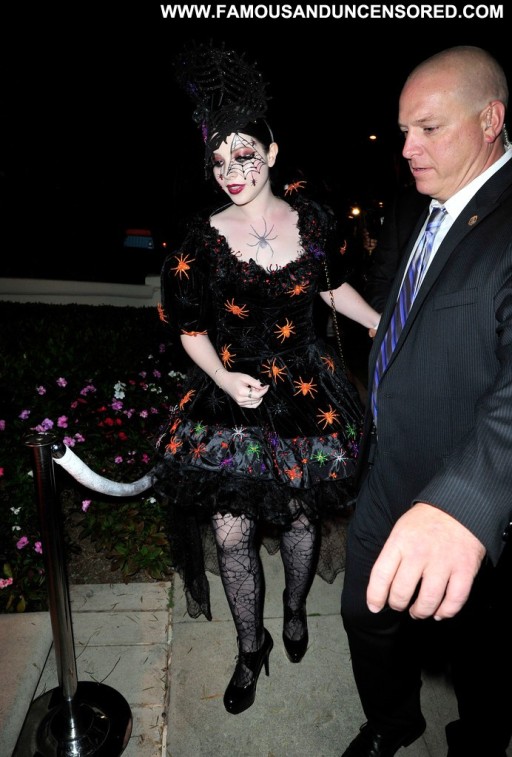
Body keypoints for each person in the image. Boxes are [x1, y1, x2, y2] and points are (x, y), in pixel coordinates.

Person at [153, 43, 380, 716]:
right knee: (231, 534)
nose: (231, 171)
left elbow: (332, 288)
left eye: (244, 153)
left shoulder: (313, 220)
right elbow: (190, 326)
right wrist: (223, 379)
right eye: (218, 160)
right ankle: (250, 648)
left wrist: (382, 325)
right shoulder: (201, 238)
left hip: (306, 392)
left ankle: (295, 608)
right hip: (235, 396)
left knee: (302, 520)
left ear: (273, 153)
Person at [340, 45, 512, 757]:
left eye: (429, 129)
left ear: (490, 120)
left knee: (481, 652)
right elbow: (394, 306)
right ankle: (392, 721)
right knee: (363, 613)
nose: (407, 148)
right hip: (386, 469)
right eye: (404, 130)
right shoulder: (416, 202)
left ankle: (479, 742)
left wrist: (465, 500)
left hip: (467, 488)